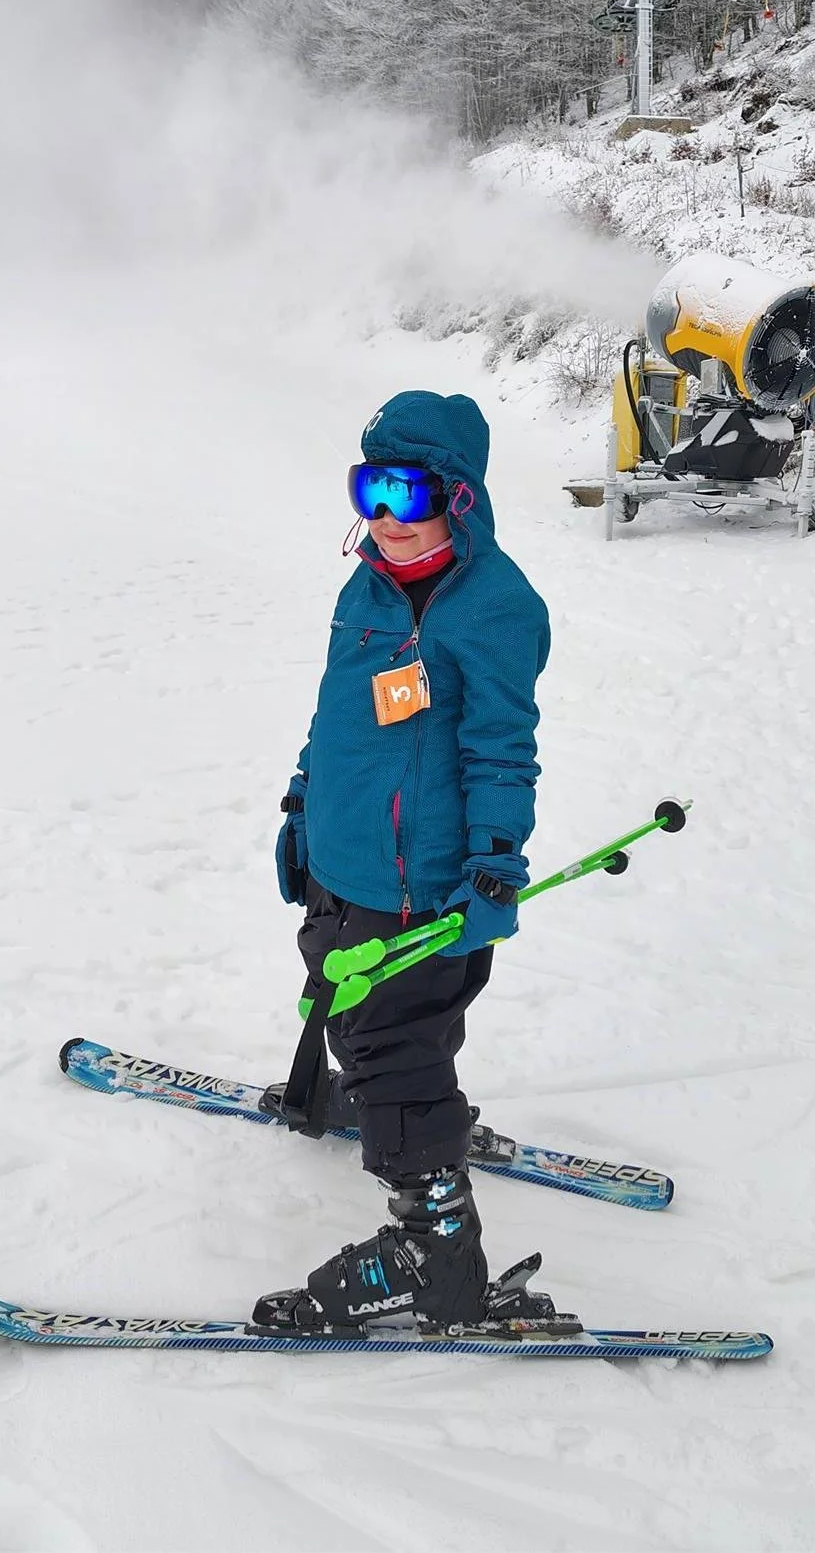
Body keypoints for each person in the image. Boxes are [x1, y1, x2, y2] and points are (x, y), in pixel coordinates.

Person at [254, 390, 553, 1335]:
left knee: (396, 1038)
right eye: (368, 488)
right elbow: (336, 715)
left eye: (405, 491)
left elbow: (502, 750)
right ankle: (353, 1094)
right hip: (344, 868)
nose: (383, 516)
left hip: (425, 891)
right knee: (345, 1000)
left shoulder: (498, 608)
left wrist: (494, 865)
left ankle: (437, 1250)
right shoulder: (367, 589)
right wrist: (303, 803)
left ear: (458, 496)